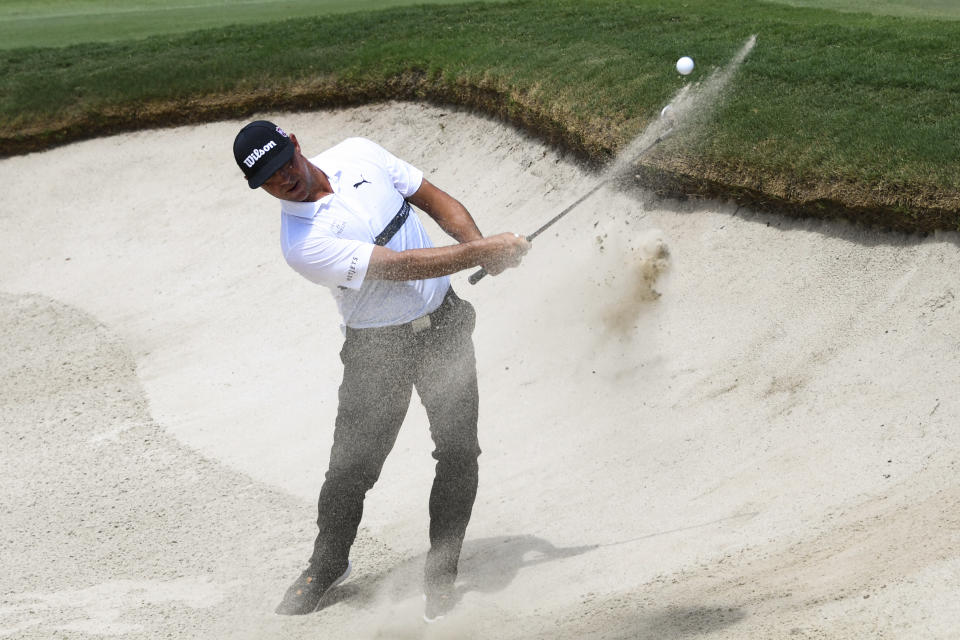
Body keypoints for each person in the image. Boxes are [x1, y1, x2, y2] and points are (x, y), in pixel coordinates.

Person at [232, 120, 530, 622]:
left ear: (296, 145)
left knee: (458, 452)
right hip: (376, 350)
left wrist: (476, 242)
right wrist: (481, 253)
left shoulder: (359, 153)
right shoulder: (301, 242)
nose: (284, 178)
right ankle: (327, 564)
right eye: (269, 177)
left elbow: (434, 199)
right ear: (260, 186)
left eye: (284, 162)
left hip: (444, 328)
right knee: (352, 469)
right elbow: (400, 266)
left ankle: (442, 571)